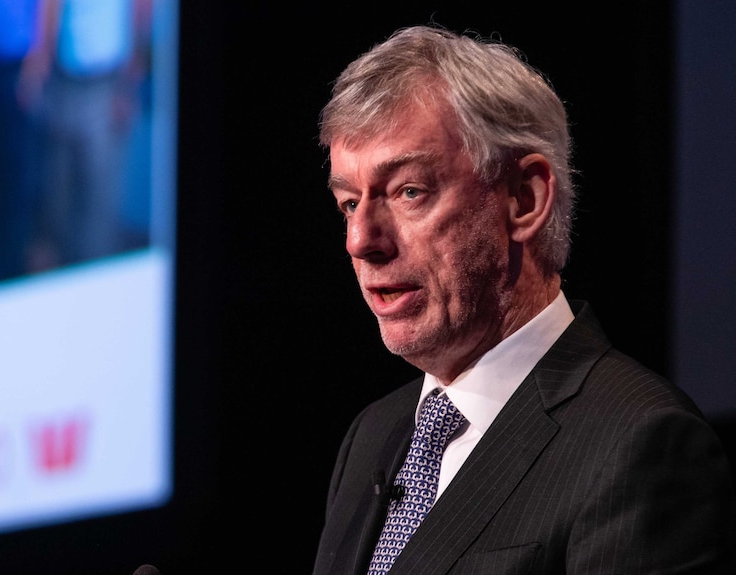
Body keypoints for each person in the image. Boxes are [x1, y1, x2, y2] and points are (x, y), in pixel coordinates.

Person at [311, 24, 736, 575]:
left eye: (408, 191)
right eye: (348, 203)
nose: (361, 240)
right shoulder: (373, 435)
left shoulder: (639, 443)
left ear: (524, 199)